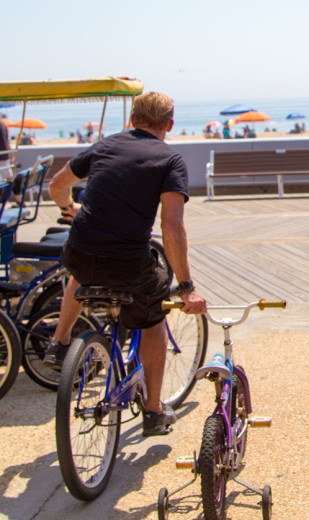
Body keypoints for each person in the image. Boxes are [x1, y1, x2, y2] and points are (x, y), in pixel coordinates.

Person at [44, 91, 207, 437]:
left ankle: (58, 343)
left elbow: (57, 185)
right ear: (170, 125)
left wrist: (68, 210)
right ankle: (153, 411)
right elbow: (172, 226)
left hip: (80, 250)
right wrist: (187, 286)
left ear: (132, 120)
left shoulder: (104, 146)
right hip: (130, 263)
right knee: (152, 319)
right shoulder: (170, 160)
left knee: (81, 269)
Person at [0, 115, 11, 181]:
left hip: (2, 155)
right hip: (5, 154)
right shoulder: (3, 124)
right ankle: (9, 190)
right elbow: (7, 140)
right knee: (8, 177)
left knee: (7, 177)